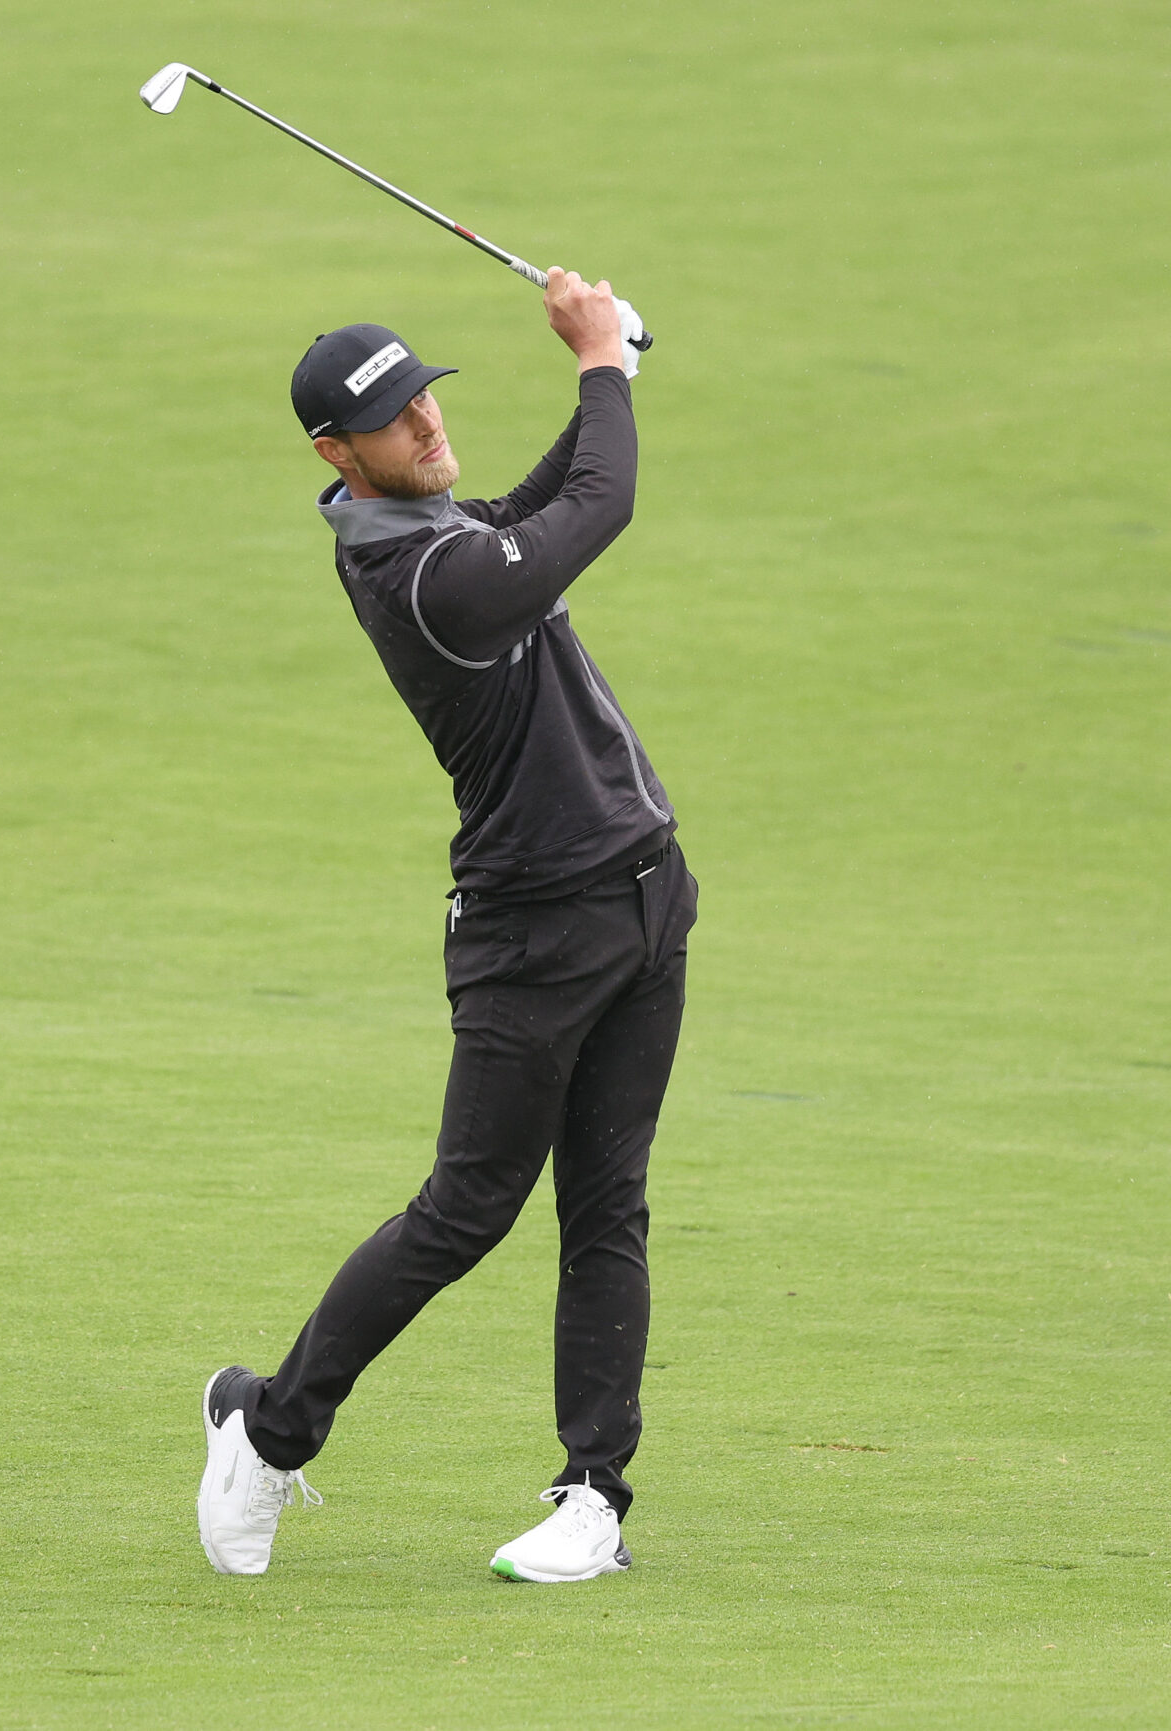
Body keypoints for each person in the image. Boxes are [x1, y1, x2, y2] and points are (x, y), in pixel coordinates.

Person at [197, 270, 695, 1584]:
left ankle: (593, 1496)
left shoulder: (435, 527)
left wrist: (614, 379)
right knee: (468, 1208)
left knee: (609, 1206)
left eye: (424, 395)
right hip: (532, 934)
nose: (423, 424)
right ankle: (268, 1427)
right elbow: (598, 507)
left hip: (644, 896)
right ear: (335, 455)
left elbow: (535, 509)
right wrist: (597, 367)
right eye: (392, 417)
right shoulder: (421, 579)